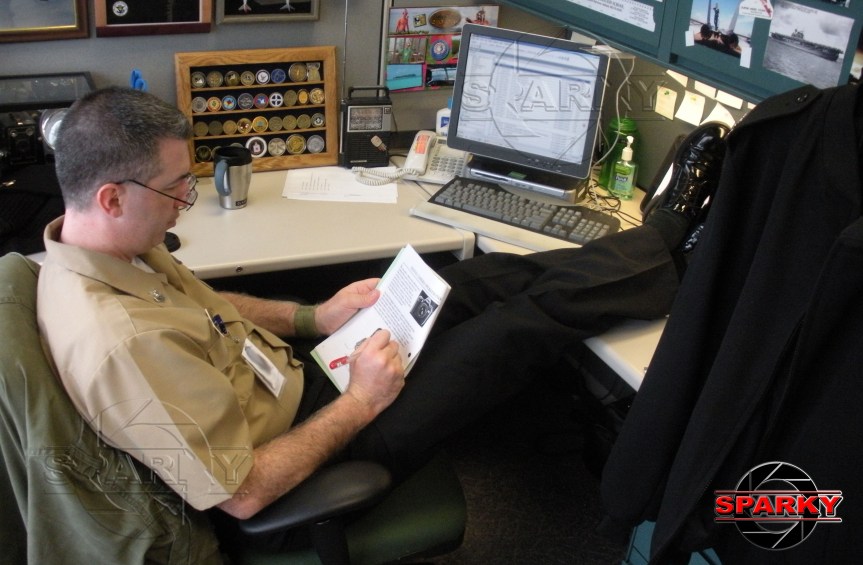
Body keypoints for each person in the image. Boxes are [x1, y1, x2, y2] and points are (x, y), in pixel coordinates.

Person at [36, 87, 727, 526]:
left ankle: (657, 245)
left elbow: (208, 304)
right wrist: (363, 402)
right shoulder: (118, 341)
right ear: (112, 195)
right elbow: (239, 494)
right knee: (511, 331)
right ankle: (679, 253)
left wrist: (316, 317)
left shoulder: (113, 247)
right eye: (176, 186)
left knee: (473, 280)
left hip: (303, 376)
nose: (187, 200)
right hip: (310, 452)